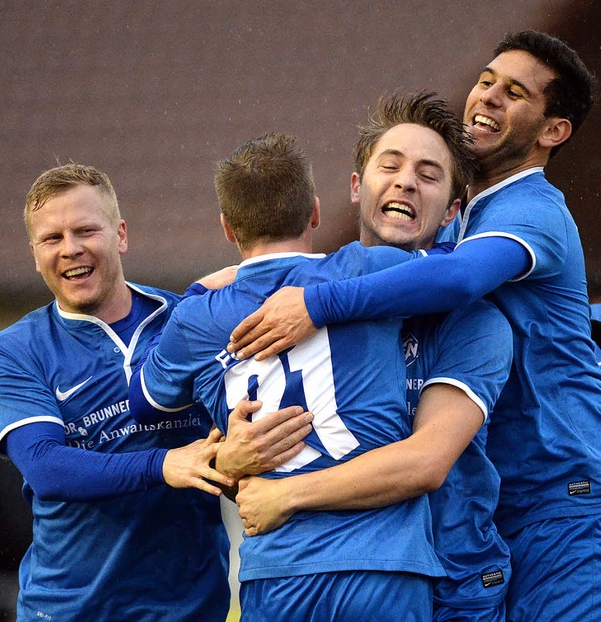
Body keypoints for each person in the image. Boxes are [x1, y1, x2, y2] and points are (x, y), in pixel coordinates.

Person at [227, 30, 601, 621]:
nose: (487, 98)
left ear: (553, 131)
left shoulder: (531, 211)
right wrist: (237, 280)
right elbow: (394, 267)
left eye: (515, 92)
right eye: (485, 81)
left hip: (561, 500)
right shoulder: (462, 223)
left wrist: (315, 305)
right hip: (492, 509)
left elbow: (453, 282)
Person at [129, 133, 452, 621]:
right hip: (380, 564)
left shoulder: (195, 319)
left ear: (227, 230)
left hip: (279, 572)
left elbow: (144, 402)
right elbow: (462, 272)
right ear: (315, 213)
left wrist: (197, 293)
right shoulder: (370, 268)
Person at [0, 163, 313, 621]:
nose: (70, 249)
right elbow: (47, 467)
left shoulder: (189, 322)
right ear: (34, 254)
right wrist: (165, 464)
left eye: (85, 231)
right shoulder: (12, 350)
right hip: (68, 610)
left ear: (120, 235)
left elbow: (241, 447)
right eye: (51, 239)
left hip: (192, 609)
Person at [235, 92, 513, 621]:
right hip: (310, 581)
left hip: (454, 587)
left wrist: (288, 496)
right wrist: (230, 456)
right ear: (357, 187)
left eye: (429, 175)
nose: (407, 181)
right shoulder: (292, 308)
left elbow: (426, 462)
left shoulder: (475, 323)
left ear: (454, 211)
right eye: (391, 165)